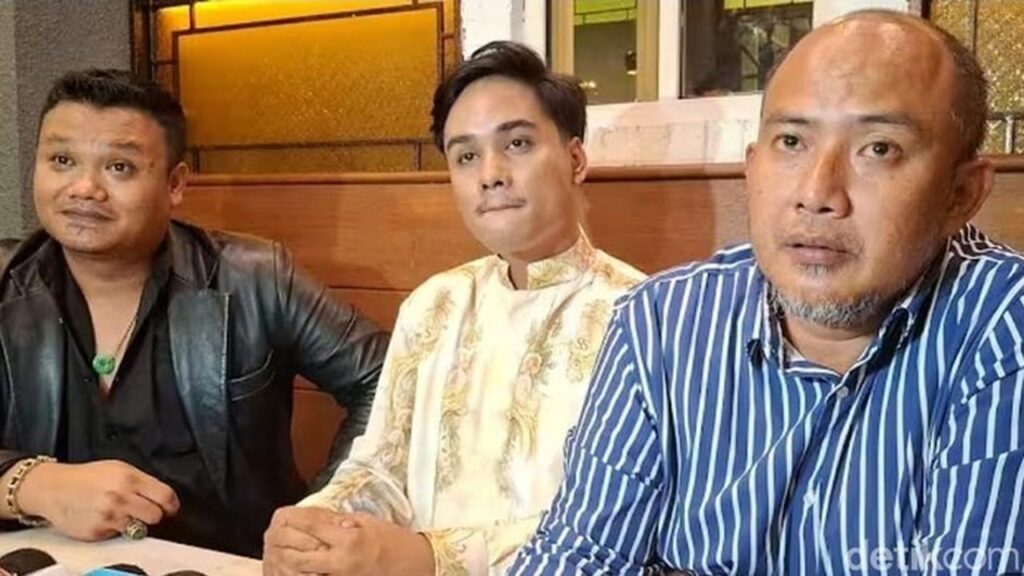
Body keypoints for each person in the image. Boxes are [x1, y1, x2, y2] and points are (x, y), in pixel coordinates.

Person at [512, 10, 1024, 575]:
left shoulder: (1004, 326)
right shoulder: (661, 322)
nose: (817, 193)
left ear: (961, 194)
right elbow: (579, 555)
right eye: (791, 141)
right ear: (752, 169)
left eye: (879, 148)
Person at [262, 41, 645, 575]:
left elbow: (621, 523)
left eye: (517, 143)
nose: (490, 174)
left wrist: (431, 557)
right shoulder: (435, 305)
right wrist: (318, 524)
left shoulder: (642, 319)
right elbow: (381, 468)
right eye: (466, 156)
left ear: (575, 159)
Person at [0, 69, 389, 558]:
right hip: (47, 560)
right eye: (61, 160)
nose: (83, 188)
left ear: (175, 184)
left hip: (231, 561)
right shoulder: (5, 281)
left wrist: (325, 511)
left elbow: (388, 380)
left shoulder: (256, 278)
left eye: (119, 167)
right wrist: (28, 483)